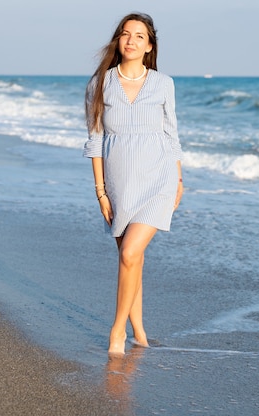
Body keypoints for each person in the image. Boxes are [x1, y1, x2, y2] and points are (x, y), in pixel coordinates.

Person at [83, 12, 183, 355]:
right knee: (132, 260)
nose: (131, 40)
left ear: (149, 45)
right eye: (126, 34)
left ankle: (117, 332)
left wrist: (179, 178)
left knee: (129, 252)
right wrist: (100, 191)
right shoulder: (100, 84)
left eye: (140, 36)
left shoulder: (163, 84)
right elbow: (96, 140)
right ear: (118, 40)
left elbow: (171, 135)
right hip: (119, 184)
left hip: (159, 180)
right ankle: (140, 331)